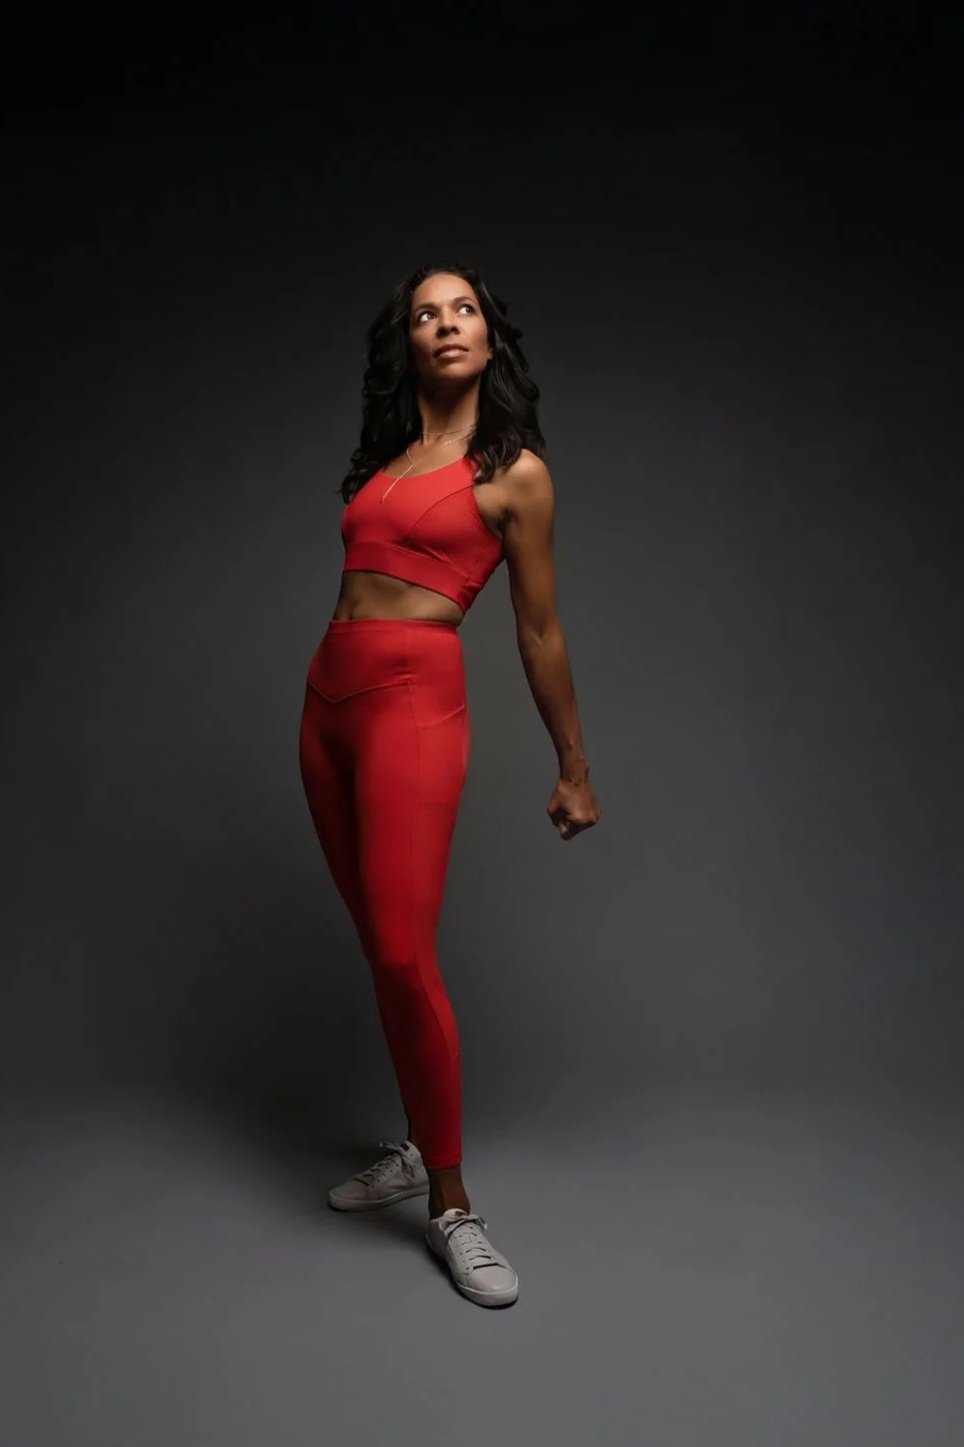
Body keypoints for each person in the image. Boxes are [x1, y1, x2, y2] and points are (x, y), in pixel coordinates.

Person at [298, 261, 601, 1307]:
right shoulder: (388, 461)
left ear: (489, 336)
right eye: (425, 314)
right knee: (378, 953)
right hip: (326, 708)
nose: (445, 323)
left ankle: (452, 1204)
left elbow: (540, 629)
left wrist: (573, 766)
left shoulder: (515, 473)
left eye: (463, 308)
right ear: (410, 345)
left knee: (402, 949)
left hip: (411, 706)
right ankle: (421, 1143)